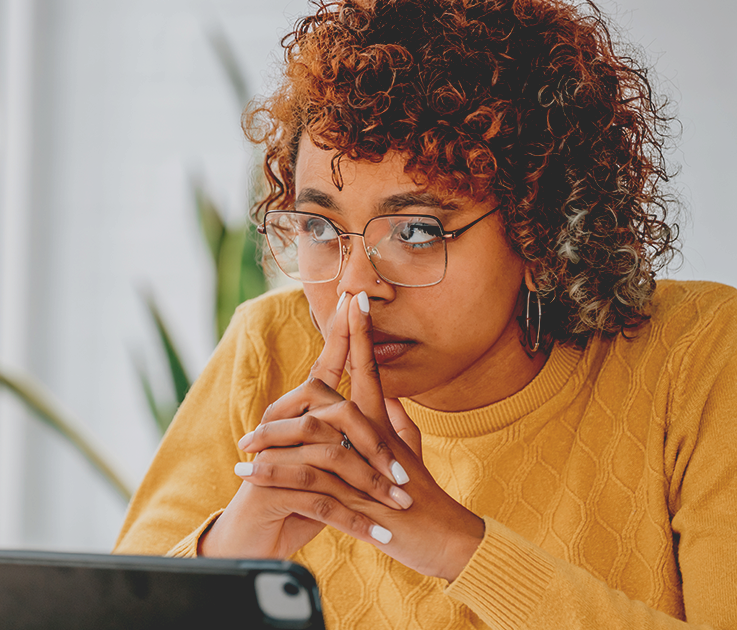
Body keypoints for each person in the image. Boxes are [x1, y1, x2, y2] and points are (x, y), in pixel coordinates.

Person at [111, 0, 737, 628]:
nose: (356, 288)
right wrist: (231, 547)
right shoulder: (268, 347)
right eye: (320, 227)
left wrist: (451, 544)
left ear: (542, 231)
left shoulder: (701, 358)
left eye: (416, 231)